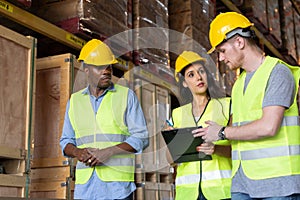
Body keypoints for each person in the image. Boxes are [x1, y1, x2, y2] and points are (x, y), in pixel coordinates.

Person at [194, 12, 300, 199]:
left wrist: (221, 132)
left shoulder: (277, 73)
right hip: (242, 185)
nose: (220, 58)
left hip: (277, 185)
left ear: (239, 42)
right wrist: (211, 141)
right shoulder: (238, 85)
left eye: (222, 51)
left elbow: (269, 126)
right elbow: (236, 133)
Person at [59, 39, 149, 200]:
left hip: (118, 189)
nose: (107, 71)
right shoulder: (75, 101)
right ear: (86, 69)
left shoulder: (126, 96)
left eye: (109, 66)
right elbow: (65, 142)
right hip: (85, 190)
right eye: (100, 67)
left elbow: (141, 137)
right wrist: (78, 152)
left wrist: (109, 152)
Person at [167, 51, 232, 200]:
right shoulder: (176, 114)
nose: (198, 77)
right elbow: (169, 159)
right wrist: (173, 142)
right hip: (188, 194)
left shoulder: (227, 106)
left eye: (201, 71)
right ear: (184, 82)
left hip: (221, 192)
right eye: (191, 75)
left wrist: (216, 149)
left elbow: (240, 149)